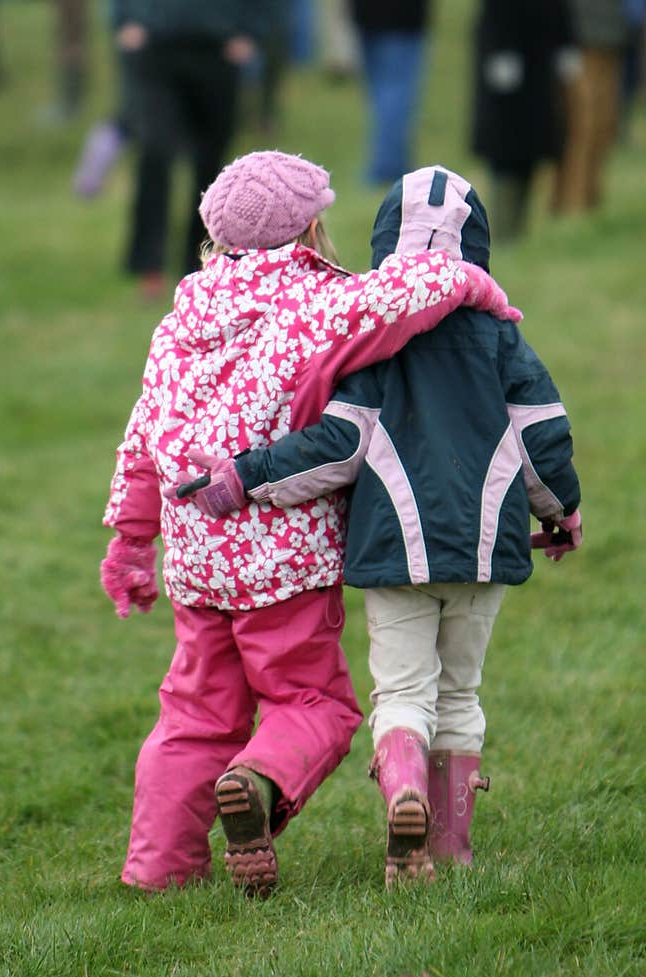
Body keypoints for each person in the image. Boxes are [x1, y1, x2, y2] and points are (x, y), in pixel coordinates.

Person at [100, 150, 521, 898]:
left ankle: (157, 869)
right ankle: (256, 785)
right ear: (311, 225)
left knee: (193, 714)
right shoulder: (320, 305)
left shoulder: (184, 314)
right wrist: (475, 283)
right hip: (282, 562)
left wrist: (132, 542)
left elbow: (142, 435)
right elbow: (408, 289)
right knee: (313, 703)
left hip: (196, 561)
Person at [107, 1, 268, 301]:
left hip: (218, 49)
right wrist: (123, 19)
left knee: (210, 166)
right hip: (155, 46)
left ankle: (200, 266)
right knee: (155, 151)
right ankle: (149, 265)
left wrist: (251, 31)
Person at [471, 0, 576, 241]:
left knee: (530, 153)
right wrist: (498, 49)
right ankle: (501, 230)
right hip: (504, 65)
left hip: (540, 67)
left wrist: (565, 42)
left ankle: (517, 229)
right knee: (504, 153)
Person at [551, 0, 630, 214]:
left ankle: (588, 199)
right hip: (578, 37)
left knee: (603, 124)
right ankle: (571, 203)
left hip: (609, 35)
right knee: (582, 124)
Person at [349, 0, 431, 186]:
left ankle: (388, 163)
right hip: (403, 17)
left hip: (367, 12)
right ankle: (388, 168)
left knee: (380, 93)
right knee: (395, 93)